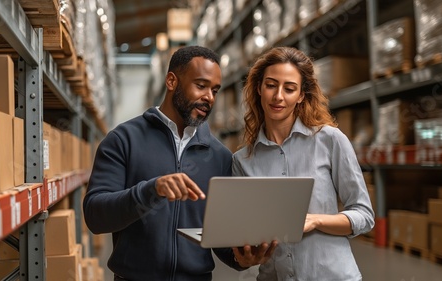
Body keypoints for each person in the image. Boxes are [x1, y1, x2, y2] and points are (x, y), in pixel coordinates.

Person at [83, 45, 277, 281]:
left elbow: (221, 238)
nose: (209, 97)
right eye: (201, 85)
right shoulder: (123, 140)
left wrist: (241, 259)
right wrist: (151, 190)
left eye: (215, 90)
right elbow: (95, 215)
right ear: (172, 81)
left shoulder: (219, 156)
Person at [232, 46, 375, 280]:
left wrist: (316, 221)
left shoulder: (329, 140)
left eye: (289, 89)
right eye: (271, 85)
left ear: (300, 96)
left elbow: (364, 215)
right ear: (259, 88)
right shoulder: (242, 161)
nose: (278, 96)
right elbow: (247, 230)